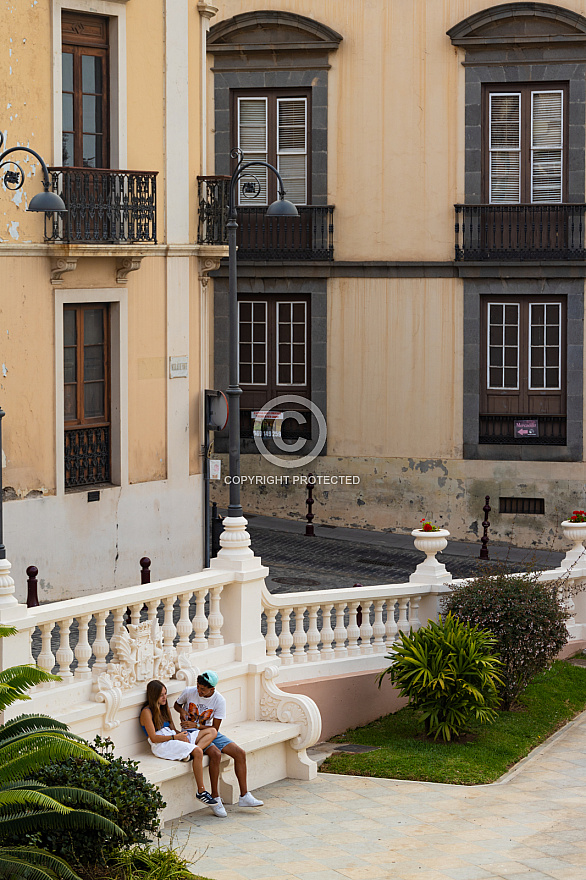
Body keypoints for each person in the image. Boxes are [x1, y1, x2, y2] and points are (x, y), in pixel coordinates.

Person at [174, 670, 264, 818]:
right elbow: (177, 705)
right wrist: (182, 713)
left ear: (212, 689)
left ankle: (244, 796)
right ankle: (215, 798)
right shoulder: (189, 692)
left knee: (240, 753)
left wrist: (196, 725)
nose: (199, 691)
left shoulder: (219, 700)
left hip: (209, 732)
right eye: (198, 687)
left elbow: (215, 729)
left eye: (203, 689)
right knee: (215, 754)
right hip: (192, 735)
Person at [140, 679, 217, 806]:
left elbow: (173, 729)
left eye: (165, 693)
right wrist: (176, 738)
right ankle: (201, 791)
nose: (164, 697)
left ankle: (188, 753)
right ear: (153, 696)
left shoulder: (164, 707)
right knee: (198, 751)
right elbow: (153, 738)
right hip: (162, 743)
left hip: (172, 736)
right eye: (161, 695)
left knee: (212, 731)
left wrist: (182, 735)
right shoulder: (146, 712)